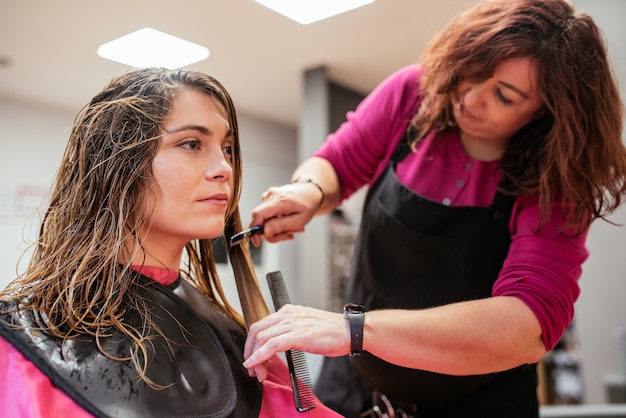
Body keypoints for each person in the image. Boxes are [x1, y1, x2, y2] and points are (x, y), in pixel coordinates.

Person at [242, 0, 626, 416]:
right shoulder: (413, 95)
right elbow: (337, 162)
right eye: (475, 70)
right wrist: (309, 191)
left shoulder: (555, 181)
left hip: (478, 403)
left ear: (548, 113)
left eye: (503, 95)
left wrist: (353, 330)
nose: (472, 97)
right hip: (355, 390)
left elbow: (526, 323)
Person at [0, 68, 341, 417]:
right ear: (120, 165)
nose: (224, 167)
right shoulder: (18, 346)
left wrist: (358, 332)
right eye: (191, 144)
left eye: (227, 148)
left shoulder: (243, 344)